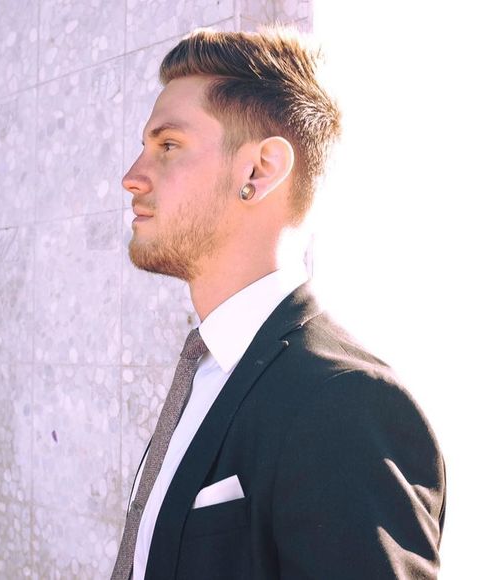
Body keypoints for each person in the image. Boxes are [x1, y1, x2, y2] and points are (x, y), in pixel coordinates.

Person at [111, 26, 446, 580]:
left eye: (167, 146)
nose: (132, 178)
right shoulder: (207, 371)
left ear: (259, 170)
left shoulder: (345, 402)